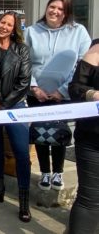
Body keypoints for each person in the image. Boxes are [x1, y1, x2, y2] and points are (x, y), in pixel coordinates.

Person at [24, 0, 91, 191]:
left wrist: (62, 90)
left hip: (64, 94)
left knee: (60, 132)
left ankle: (58, 172)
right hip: (37, 94)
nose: (55, 11)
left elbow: (83, 64)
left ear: (66, 13)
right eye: (52, 6)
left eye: (60, 9)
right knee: (41, 132)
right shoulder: (31, 31)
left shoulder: (78, 32)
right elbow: (24, 62)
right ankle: (45, 171)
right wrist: (34, 86)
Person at [0, 12, 32, 222]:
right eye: (2, 22)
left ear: (14, 29)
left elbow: (24, 83)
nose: (4, 26)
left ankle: (23, 202)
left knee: (21, 153)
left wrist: (4, 104)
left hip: (15, 106)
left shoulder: (22, 50)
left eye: (9, 24)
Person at [67, 42, 99, 233]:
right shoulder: (95, 52)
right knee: (90, 199)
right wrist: (92, 94)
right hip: (92, 138)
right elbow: (75, 88)